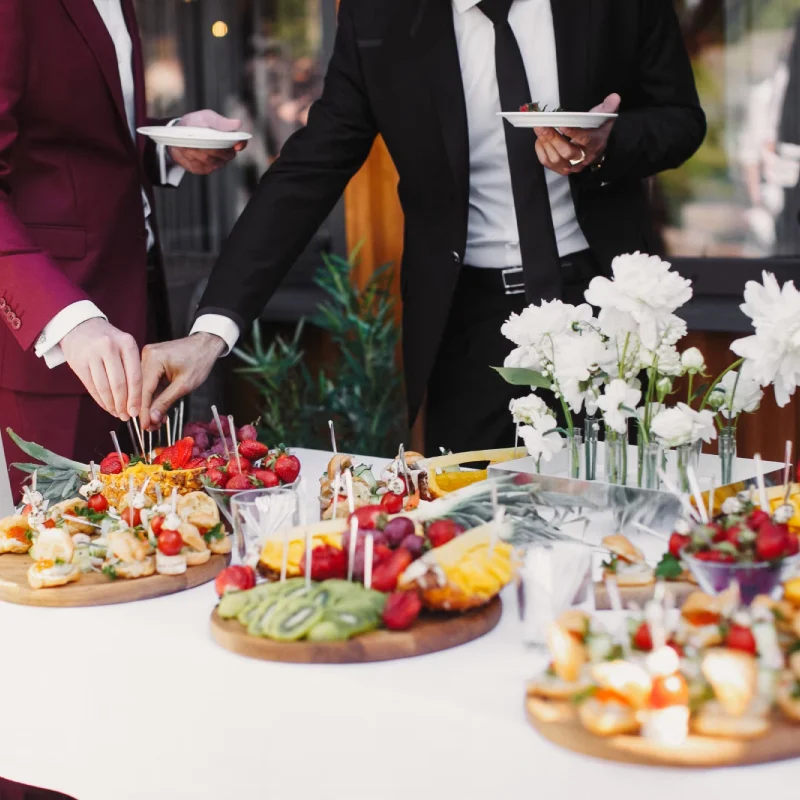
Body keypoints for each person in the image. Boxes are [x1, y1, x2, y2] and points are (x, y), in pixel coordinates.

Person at [139, 0, 706, 455]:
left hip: (603, 297)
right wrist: (210, 331)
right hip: (471, 321)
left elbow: (681, 119)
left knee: (623, 509)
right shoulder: (379, 16)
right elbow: (308, 171)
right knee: (474, 529)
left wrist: (608, 146)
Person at [0, 0, 244, 502]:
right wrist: (65, 319)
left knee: (158, 536)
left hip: (140, 305)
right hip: (62, 336)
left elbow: (74, 140)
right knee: (73, 552)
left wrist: (168, 142)